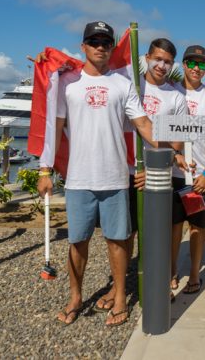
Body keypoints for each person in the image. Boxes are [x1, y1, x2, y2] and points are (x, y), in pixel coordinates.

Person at [37, 21, 160, 327]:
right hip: (79, 179)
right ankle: (75, 297)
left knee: (117, 241)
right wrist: (44, 169)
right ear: (83, 47)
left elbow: (143, 124)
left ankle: (119, 297)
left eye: (106, 42)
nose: (101, 47)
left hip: (116, 177)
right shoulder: (67, 83)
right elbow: (55, 129)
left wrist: (173, 152)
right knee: (77, 242)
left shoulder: (122, 84)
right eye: (94, 41)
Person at [96, 37, 188, 310]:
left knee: (156, 233)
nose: (161, 65)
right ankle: (118, 285)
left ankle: (159, 282)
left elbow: (176, 145)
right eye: (157, 58)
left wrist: (154, 170)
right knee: (124, 234)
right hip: (125, 170)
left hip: (159, 175)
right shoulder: (129, 84)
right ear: (147, 57)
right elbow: (92, 71)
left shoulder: (176, 96)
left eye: (168, 61)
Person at [171, 45, 205, 294]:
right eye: (191, 63)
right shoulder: (171, 92)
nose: (196, 69)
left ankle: (193, 275)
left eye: (201, 64)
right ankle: (171, 272)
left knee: (197, 228)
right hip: (174, 175)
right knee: (174, 227)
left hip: (200, 176)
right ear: (183, 64)